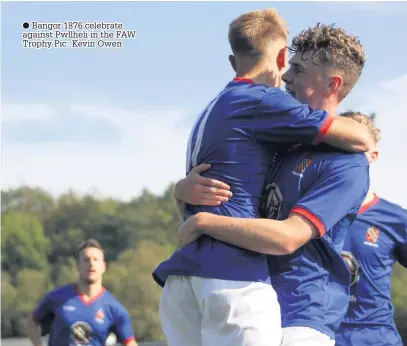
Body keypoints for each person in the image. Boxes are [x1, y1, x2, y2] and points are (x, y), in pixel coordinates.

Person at [153, 9, 374, 346]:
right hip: (246, 288)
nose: (285, 77)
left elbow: (287, 237)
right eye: (289, 65)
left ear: (333, 84)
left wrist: (204, 222)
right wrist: (181, 192)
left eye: (298, 70)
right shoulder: (276, 140)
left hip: (302, 315)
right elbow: (232, 202)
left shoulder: (348, 165)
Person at [335, 112, 407, 346]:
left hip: (377, 338)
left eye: (357, 150)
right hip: (321, 335)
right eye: (339, 148)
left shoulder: (395, 218)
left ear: (373, 156)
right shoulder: (304, 212)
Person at [27, 239, 138, 346]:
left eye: (96, 259)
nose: (91, 263)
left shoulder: (114, 308)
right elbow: (33, 319)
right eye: (86, 259)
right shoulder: (57, 297)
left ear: (104, 267)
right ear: (78, 266)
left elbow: (130, 342)